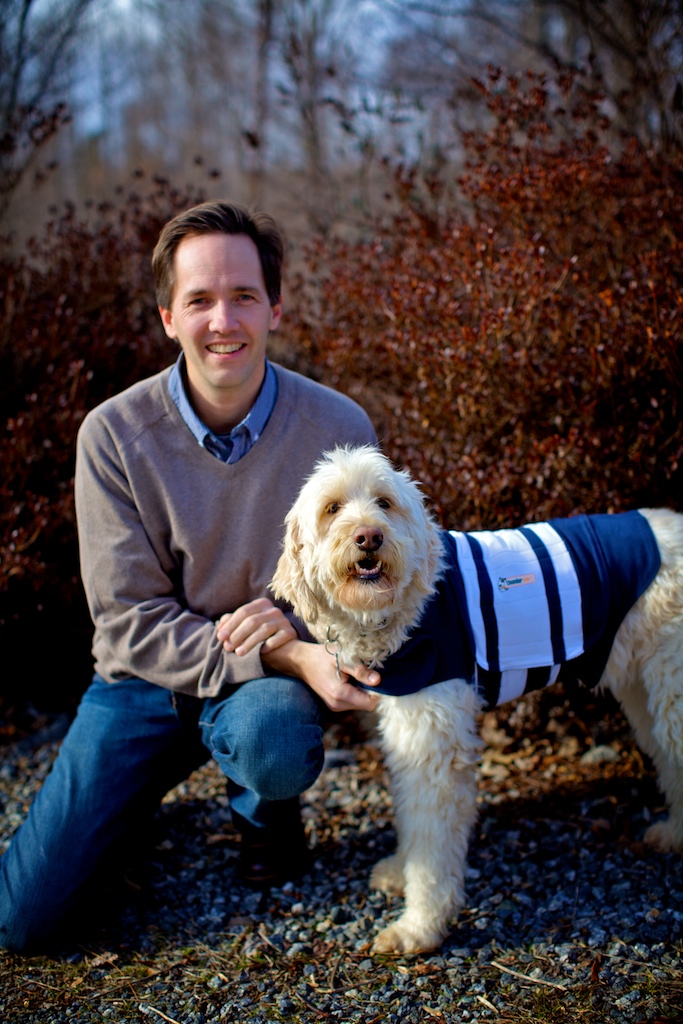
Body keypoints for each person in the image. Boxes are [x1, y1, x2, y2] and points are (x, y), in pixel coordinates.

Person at [0, 200, 380, 954]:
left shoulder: (338, 427)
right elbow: (128, 621)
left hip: (262, 692)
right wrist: (283, 649)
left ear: (274, 306)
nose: (223, 321)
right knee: (22, 923)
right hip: (140, 686)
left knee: (272, 735)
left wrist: (302, 639)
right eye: (199, 299)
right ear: (168, 316)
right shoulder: (111, 435)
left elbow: (363, 582)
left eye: (243, 296)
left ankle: (264, 812)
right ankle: (130, 805)